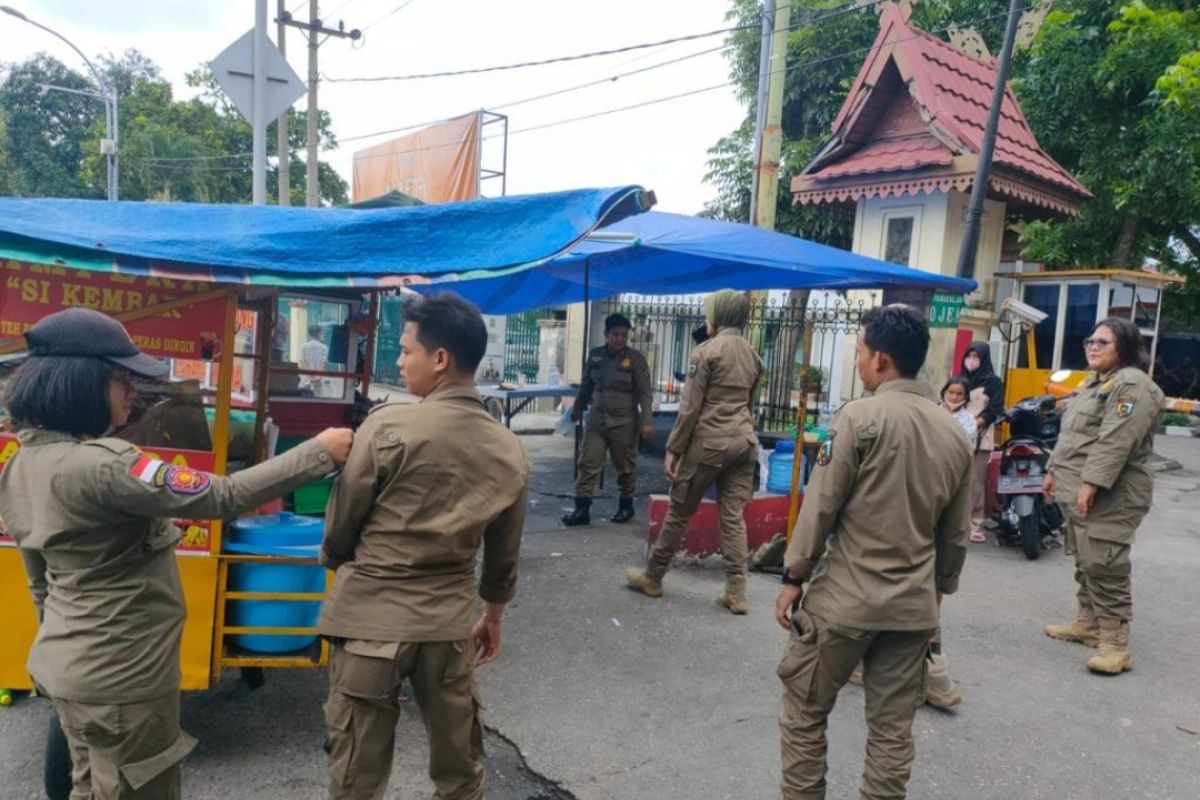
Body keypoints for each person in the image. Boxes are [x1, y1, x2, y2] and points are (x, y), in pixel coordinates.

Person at [0, 307, 353, 800]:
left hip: (65, 668)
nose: (131, 392)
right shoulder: (106, 467)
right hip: (122, 680)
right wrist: (319, 450)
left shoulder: (20, 465)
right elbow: (222, 496)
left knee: (91, 785)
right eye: (121, 379)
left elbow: (40, 583)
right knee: (139, 788)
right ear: (83, 384)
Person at [318, 293, 529, 800]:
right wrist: (493, 617)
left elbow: (341, 527)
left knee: (356, 778)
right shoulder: (509, 450)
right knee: (459, 774)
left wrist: (339, 562)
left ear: (440, 359)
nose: (398, 359)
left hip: (369, 624)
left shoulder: (386, 427)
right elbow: (503, 554)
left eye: (406, 350)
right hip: (448, 631)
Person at [774, 305, 972, 799]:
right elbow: (954, 533)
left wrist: (794, 576)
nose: (859, 361)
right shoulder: (953, 432)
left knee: (805, 709)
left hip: (844, 602)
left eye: (860, 352)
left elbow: (820, 505)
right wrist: (938, 595)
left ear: (881, 359)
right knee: (891, 730)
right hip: (911, 609)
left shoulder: (859, 418)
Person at [625, 289, 763, 614]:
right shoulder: (754, 355)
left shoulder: (705, 352)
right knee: (732, 517)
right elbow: (750, 405)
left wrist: (673, 449)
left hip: (710, 443)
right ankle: (736, 591)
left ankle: (653, 576)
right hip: (744, 442)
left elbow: (689, 409)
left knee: (679, 509)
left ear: (718, 316)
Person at [1042, 317, 1162, 675]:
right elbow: (1073, 434)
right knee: (1085, 558)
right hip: (1079, 488)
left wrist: (1091, 483)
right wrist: (1052, 469)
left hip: (1113, 494)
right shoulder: (1094, 382)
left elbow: (1116, 440)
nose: (1092, 346)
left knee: (1105, 564)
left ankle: (1115, 644)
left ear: (1124, 347)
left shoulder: (1131, 385)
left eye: (1102, 342)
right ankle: (1088, 622)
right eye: (1089, 340)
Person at [562, 313, 654, 526]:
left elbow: (645, 393)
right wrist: (576, 409)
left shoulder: (635, 359)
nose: (620, 339)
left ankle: (625, 506)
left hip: (625, 422)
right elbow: (586, 386)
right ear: (606, 335)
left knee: (625, 467)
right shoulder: (595, 356)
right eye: (615, 335)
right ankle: (581, 510)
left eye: (624, 335)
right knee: (587, 463)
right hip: (597, 421)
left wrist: (646, 421)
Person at [961, 341, 1004, 541]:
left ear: (984, 358)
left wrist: (973, 423)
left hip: (980, 438)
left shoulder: (993, 382)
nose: (971, 361)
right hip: (956, 436)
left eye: (976, 357)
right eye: (968, 356)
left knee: (975, 482)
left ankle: (974, 523)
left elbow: (994, 409)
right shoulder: (959, 380)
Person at [301, 324, 331, 396]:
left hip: (306, 379)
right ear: (319, 333)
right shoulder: (324, 348)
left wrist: (311, 375)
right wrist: (317, 376)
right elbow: (323, 363)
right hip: (319, 379)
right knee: (318, 399)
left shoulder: (304, 346)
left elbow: (302, 362)